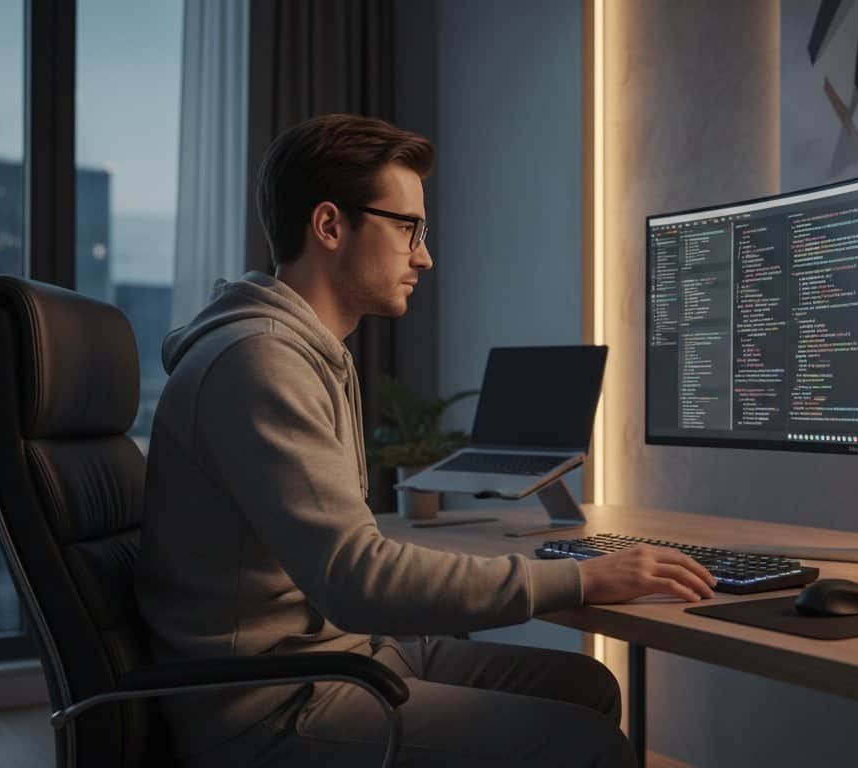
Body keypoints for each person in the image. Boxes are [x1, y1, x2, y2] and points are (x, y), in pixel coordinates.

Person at [134, 114, 716, 768]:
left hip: (343, 654)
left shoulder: (304, 352)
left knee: (587, 687)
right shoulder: (260, 362)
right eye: (407, 227)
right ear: (330, 226)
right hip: (271, 703)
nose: (424, 255)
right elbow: (354, 580)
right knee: (587, 746)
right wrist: (579, 577)